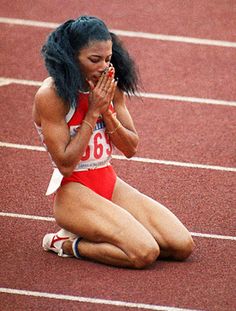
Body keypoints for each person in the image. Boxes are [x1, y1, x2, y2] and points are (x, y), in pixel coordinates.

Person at [33, 15, 195, 269]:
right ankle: (64, 243)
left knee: (182, 245)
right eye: (94, 60)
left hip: (108, 182)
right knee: (144, 252)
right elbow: (65, 164)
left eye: (107, 59)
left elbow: (131, 147)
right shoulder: (51, 95)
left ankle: (100, 227)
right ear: (71, 57)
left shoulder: (109, 87)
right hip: (74, 193)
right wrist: (93, 112)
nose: (103, 67)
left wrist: (107, 112)